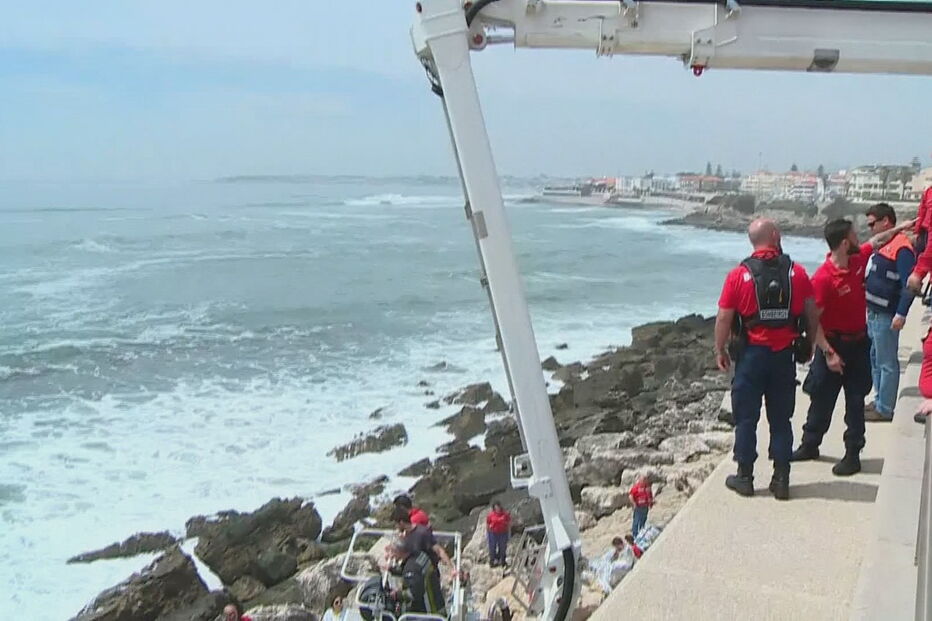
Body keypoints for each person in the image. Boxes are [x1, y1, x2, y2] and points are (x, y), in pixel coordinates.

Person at [792, 217, 914, 475]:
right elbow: (813, 322)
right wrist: (828, 353)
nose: (860, 237)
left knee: (856, 401)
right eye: (854, 235)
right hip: (832, 345)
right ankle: (810, 444)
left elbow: (877, 240)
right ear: (845, 243)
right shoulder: (823, 278)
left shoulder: (858, 261)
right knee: (821, 399)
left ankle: (853, 454)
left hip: (858, 344)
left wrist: (901, 228)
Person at [714, 218, 826, 500]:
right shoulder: (797, 273)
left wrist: (719, 350)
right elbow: (812, 313)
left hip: (751, 356)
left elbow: (724, 318)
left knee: (746, 418)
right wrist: (810, 344)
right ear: (775, 235)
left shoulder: (738, 275)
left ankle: (745, 476)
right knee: (781, 419)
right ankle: (781, 477)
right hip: (783, 356)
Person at [863, 203, 916, 422]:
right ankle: (879, 399)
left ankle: (885, 408)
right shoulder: (885, 244)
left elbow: (909, 285)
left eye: (872, 224)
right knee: (875, 359)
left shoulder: (901, 248)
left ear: (885, 221)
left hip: (886, 315)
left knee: (886, 362)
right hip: (874, 313)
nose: (870, 229)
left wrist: (901, 313)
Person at [386, 541, 446, 616]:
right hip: (438, 604)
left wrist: (396, 595)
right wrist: (393, 570)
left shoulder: (411, 567)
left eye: (393, 552)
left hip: (430, 612)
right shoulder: (420, 555)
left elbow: (414, 593)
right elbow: (415, 572)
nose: (391, 556)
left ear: (400, 551)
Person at [391, 506, 455, 575]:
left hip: (428, 572)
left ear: (401, 522)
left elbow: (439, 550)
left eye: (396, 524)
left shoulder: (422, 532)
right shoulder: (405, 535)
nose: (396, 527)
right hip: (414, 572)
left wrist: (451, 569)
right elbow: (405, 555)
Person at [485, 501, 511, 568]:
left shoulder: (505, 514)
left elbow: (509, 523)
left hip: (503, 533)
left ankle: (503, 561)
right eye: (496, 507)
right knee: (492, 547)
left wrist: (508, 532)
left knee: (502, 547)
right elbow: (488, 523)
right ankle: (492, 561)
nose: (497, 509)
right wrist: (488, 532)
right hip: (493, 533)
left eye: (498, 507)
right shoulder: (491, 515)